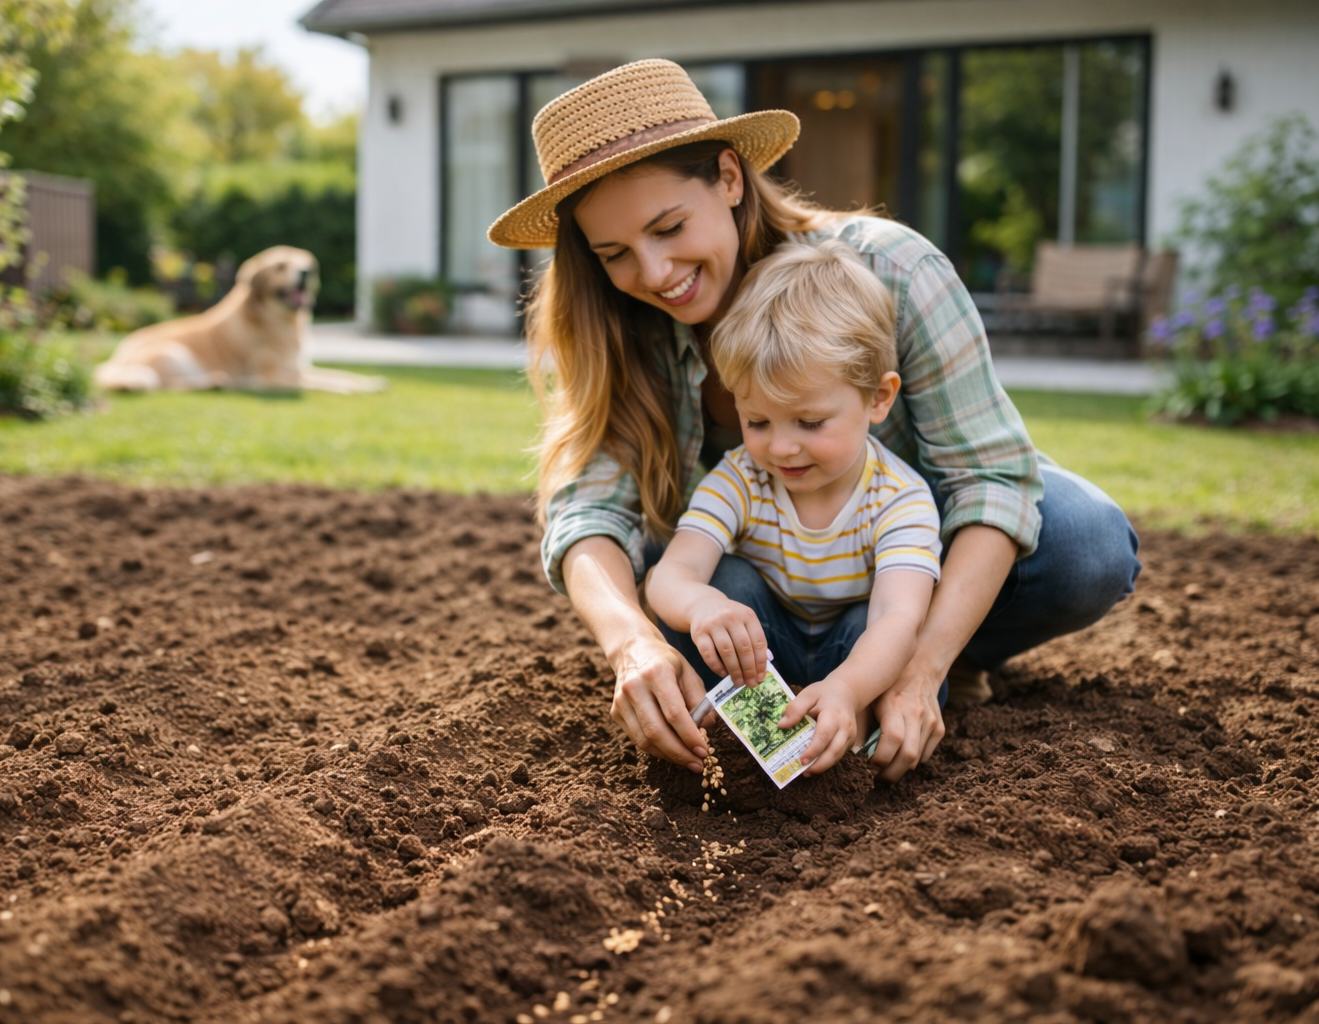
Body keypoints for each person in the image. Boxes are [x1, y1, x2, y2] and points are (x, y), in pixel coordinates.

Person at [487, 59, 1140, 783]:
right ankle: (775, 710)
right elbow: (588, 515)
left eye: (669, 227)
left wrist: (919, 669)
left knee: (1085, 544)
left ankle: (934, 664)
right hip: (750, 599)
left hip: (900, 568)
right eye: (615, 254)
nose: (655, 272)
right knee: (676, 587)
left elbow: (988, 477)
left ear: (730, 179)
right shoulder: (620, 324)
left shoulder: (893, 270)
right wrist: (632, 645)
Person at [647, 240, 943, 774]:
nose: (781, 447)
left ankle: (843, 740)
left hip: (854, 657)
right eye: (757, 422)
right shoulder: (741, 477)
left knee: (881, 628)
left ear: (878, 398)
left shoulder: (900, 498)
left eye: (809, 423)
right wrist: (702, 606)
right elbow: (671, 574)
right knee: (726, 587)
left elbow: (898, 617)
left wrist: (848, 689)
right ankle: (740, 744)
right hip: (762, 650)